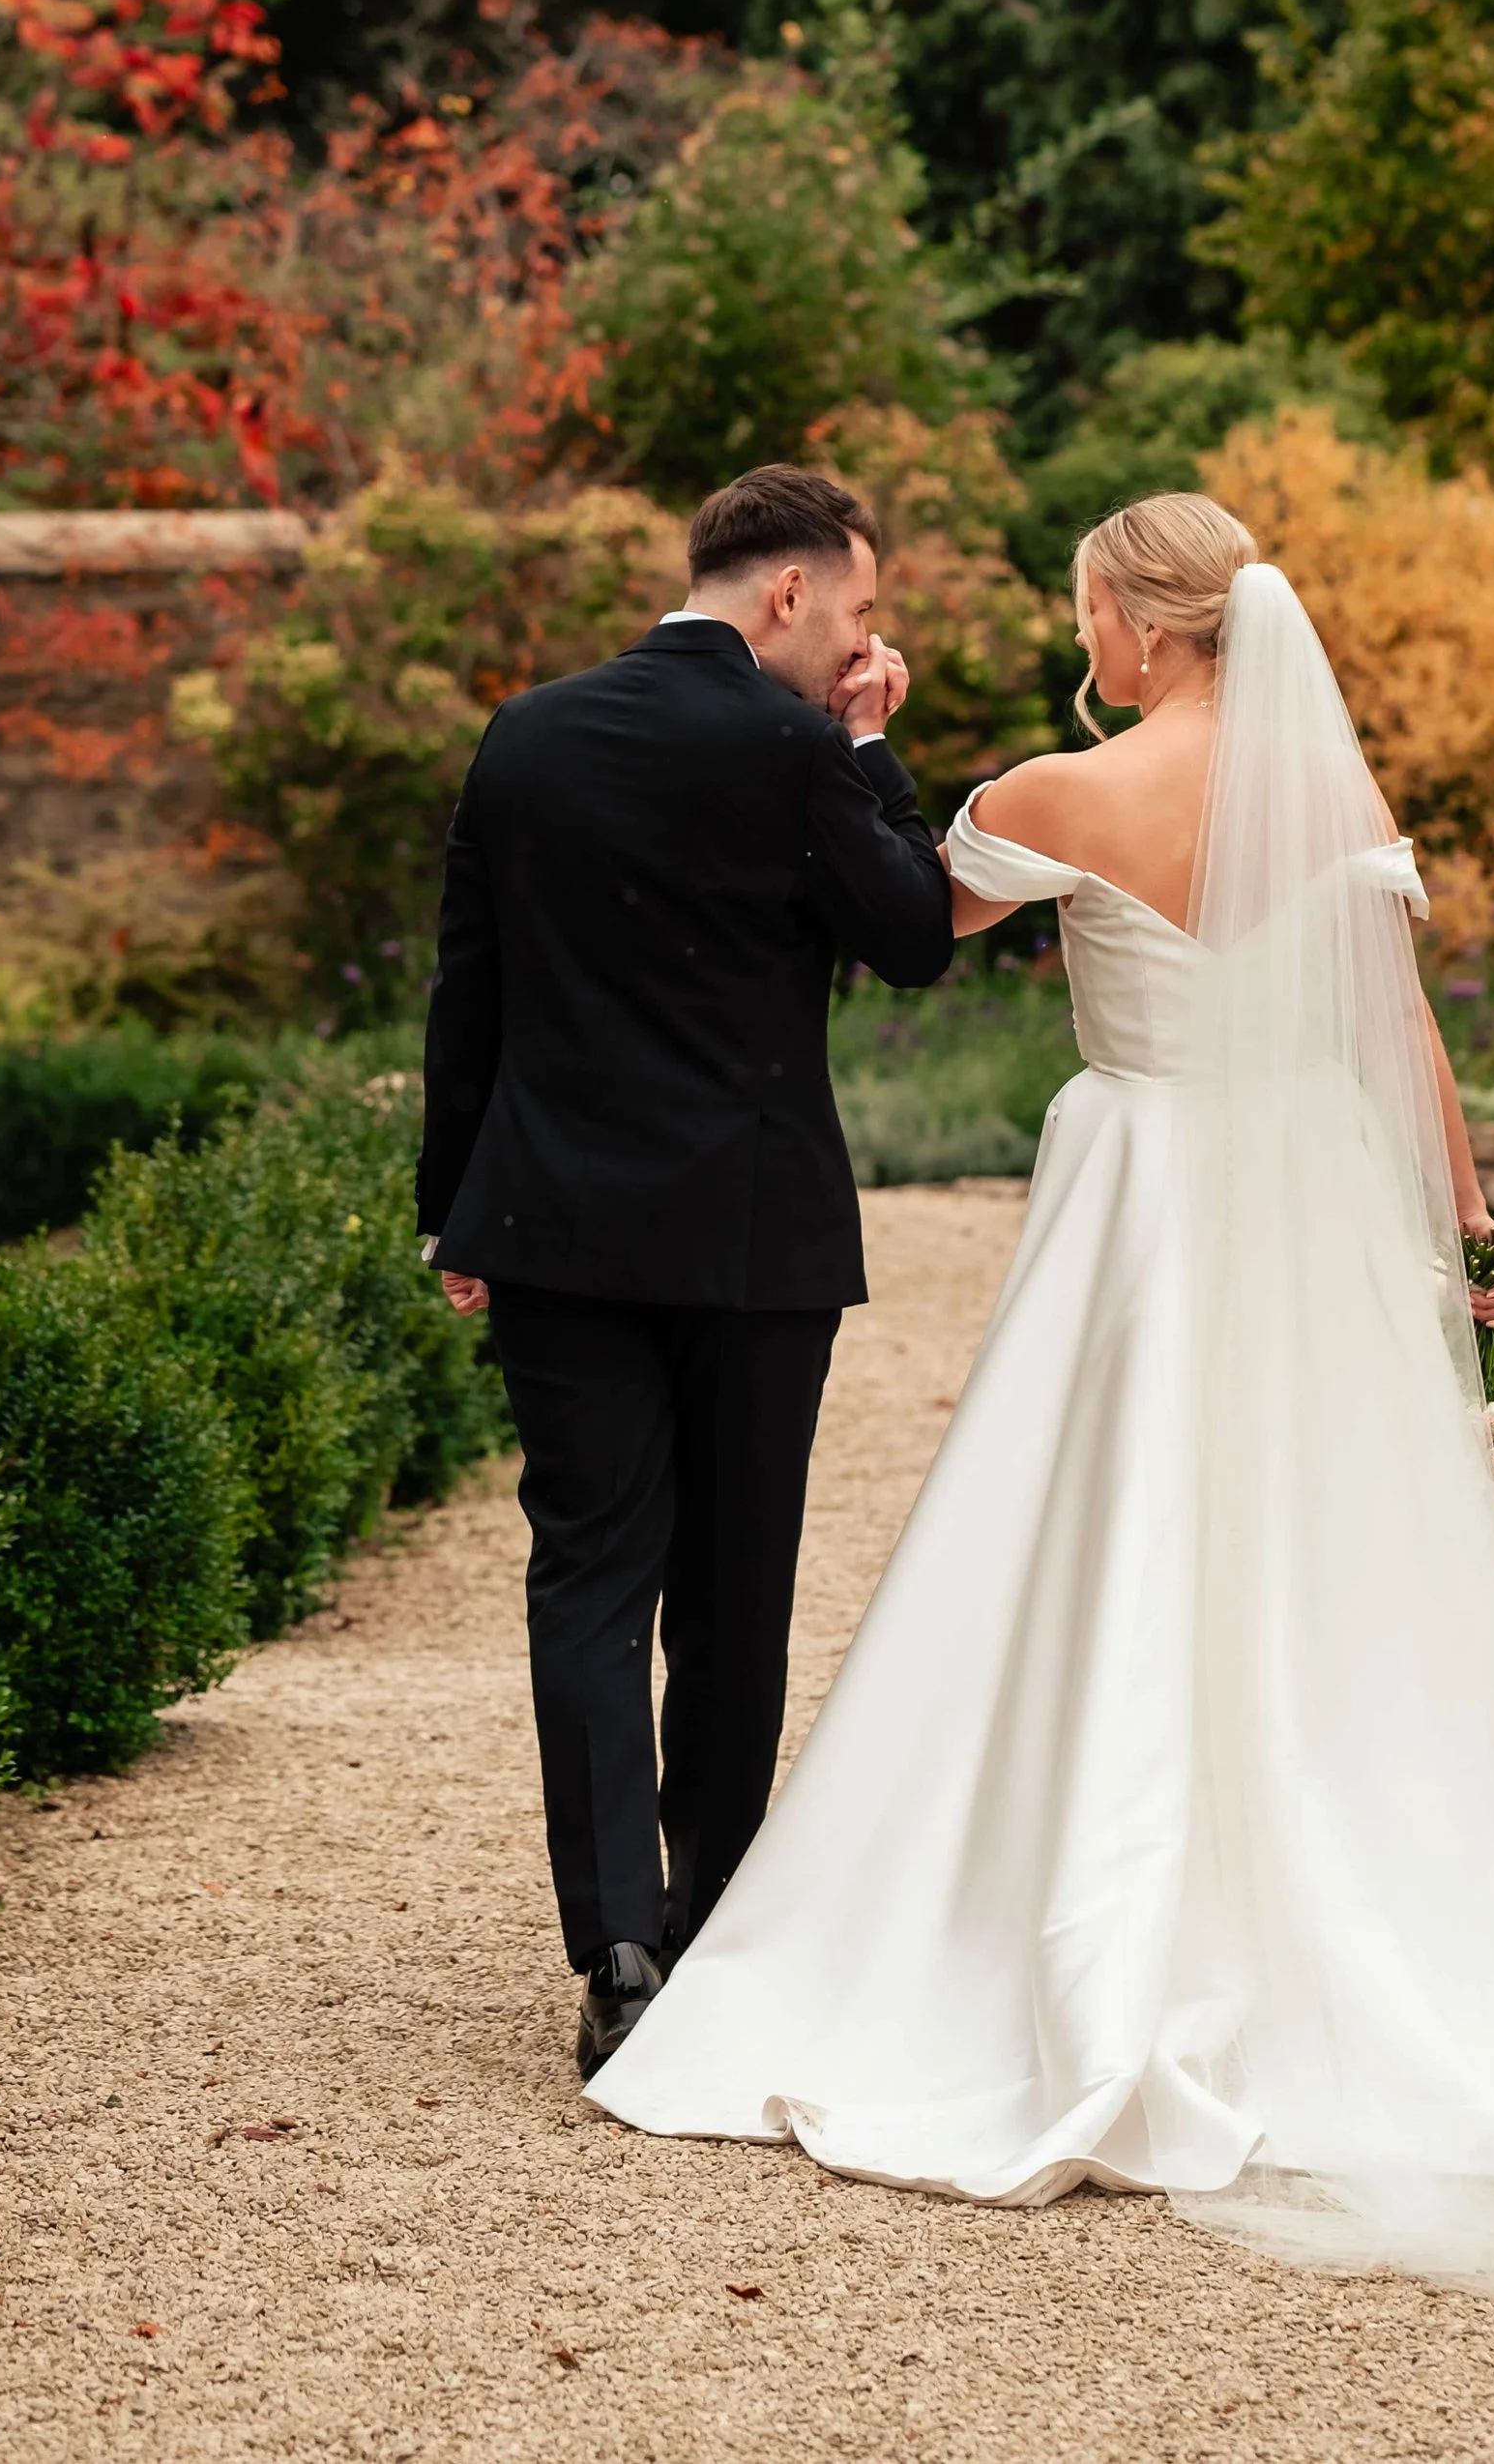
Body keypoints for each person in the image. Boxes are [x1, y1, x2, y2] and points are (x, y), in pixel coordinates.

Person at [587, 494, 1494, 2295]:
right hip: (1311, 1193)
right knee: (1324, 1552)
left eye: (1087, 614)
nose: (1081, 644)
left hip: (1140, 1195)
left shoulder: (1057, 795)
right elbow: (1402, 1026)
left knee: (1108, 1532)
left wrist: (866, 747)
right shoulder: (1336, 804)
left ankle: (1074, 1919)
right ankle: (1355, 1913)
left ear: (1138, 621)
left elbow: (903, 914)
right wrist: (1480, 1239)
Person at [417, 462, 954, 2077]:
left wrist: (455, 1206)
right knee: (733, 1584)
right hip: (751, 1237)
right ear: (787, 593)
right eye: (857, 610)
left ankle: (620, 1951)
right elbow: (916, 933)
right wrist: (872, 744)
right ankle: (715, 1923)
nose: (863, 642)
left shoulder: (526, 731)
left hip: (556, 1229)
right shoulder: (800, 747)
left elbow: (471, 985)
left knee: (587, 1573)